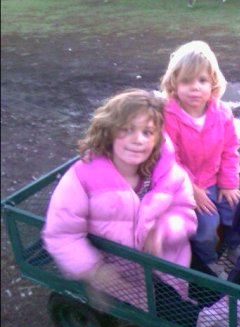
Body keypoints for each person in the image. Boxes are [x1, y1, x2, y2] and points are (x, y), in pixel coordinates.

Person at [42, 88, 198, 309]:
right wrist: (94, 269)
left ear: (157, 138)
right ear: (109, 131)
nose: (138, 140)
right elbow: (61, 233)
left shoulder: (169, 174)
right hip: (119, 277)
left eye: (147, 132)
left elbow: (184, 212)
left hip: (168, 264)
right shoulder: (83, 177)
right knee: (177, 317)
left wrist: (163, 231)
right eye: (127, 129)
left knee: (197, 308)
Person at [160, 40, 240, 277]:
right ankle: (208, 259)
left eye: (202, 80)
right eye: (186, 81)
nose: (195, 87)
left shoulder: (222, 113)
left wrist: (229, 184)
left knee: (239, 207)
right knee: (207, 224)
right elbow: (169, 159)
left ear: (213, 83)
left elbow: (230, 149)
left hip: (215, 178)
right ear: (174, 85)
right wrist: (192, 189)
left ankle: (236, 246)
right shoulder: (170, 115)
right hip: (187, 184)